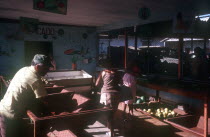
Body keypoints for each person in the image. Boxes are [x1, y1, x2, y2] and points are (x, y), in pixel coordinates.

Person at [0, 54, 52, 137]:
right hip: (10, 115)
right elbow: (43, 101)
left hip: (3, 108)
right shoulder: (35, 80)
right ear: (38, 67)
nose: (48, 70)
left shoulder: (24, 69)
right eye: (46, 68)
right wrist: (51, 114)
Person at [95, 61, 120, 137]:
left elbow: (96, 84)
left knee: (108, 114)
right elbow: (120, 82)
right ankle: (110, 130)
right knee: (113, 113)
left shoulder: (103, 72)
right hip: (116, 94)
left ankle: (111, 133)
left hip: (106, 94)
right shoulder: (117, 73)